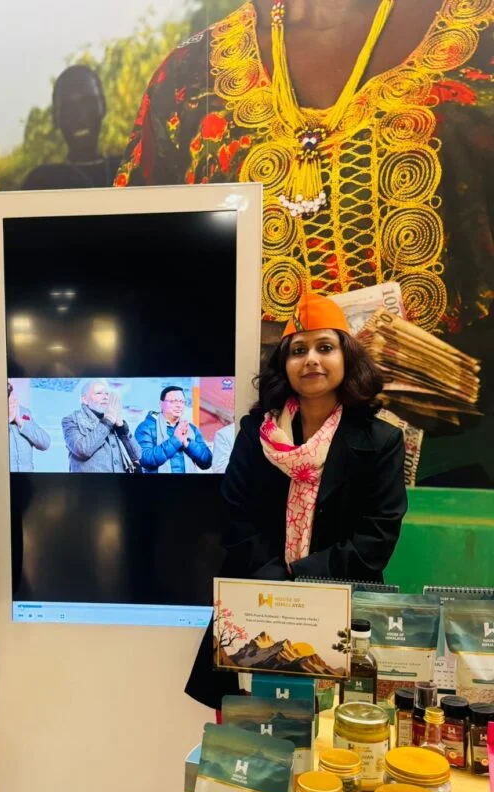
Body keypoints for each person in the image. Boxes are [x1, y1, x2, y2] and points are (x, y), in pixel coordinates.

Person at [116, 0, 494, 489]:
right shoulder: (189, 77)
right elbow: (145, 286)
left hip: (459, 475)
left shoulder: (481, 39)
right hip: (253, 480)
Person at [185, 292, 408, 709]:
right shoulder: (256, 432)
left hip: (342, 603)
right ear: (284, 364)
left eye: (325, 347)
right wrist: (275, 581)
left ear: (347, 358)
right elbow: (233, 513)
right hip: (256, 597)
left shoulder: (382, 442)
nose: (311, 360)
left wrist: (300, 577)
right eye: (298, 350)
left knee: (336, 721)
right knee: (249, 726)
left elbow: (377, 537)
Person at [23, 65, 122, 190]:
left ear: (103, 106)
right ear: (55, 118)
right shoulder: (42, 182)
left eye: (88, 102)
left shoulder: (130, 171)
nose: (80, 116)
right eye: (68, 108)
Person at [62, 379, 141, 473]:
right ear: (84, 399)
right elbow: (82, 450)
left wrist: (121, 427)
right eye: (99, 393)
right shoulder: (71, 420)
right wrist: (107, 421)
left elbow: (137, 455)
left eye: (107, 394)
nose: (105, 397)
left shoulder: (114, 419)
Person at [135, 386, 213, 473]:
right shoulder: (145, 427)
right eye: (173, 401)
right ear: (161, 404)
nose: (179, 405)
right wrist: (175, 441)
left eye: (182, 401)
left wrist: (188, 444)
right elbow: (144, 459)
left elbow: (207, 462)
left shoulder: (191, 428)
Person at [8, 381, 51, 472]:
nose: (13, 401)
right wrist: (8, 419)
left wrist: (20, 422)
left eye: (13, 399)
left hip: (28, 477)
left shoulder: (24, 412)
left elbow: (45, 442)